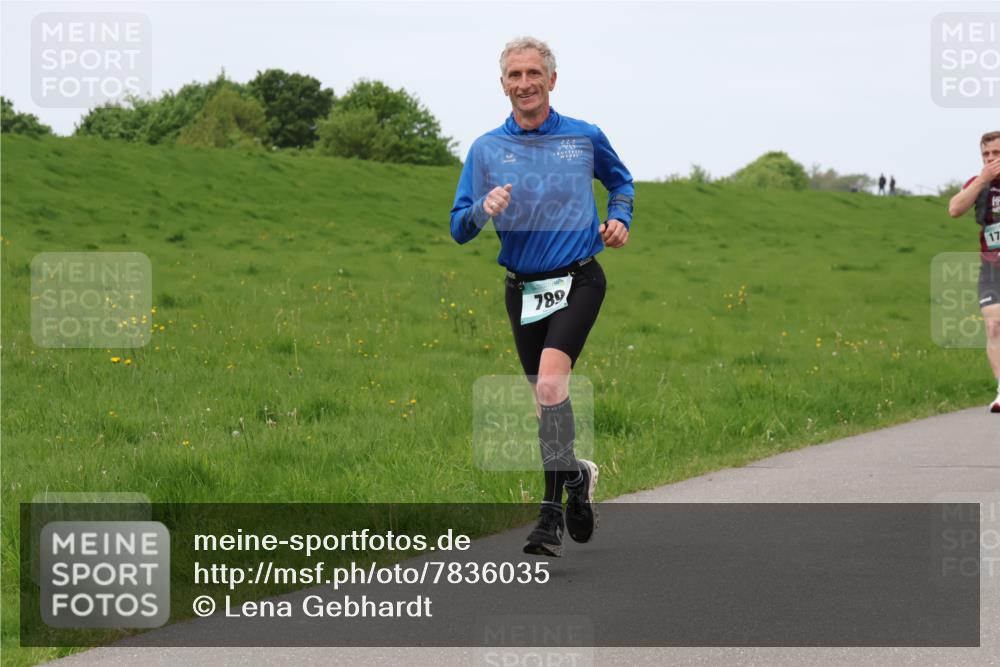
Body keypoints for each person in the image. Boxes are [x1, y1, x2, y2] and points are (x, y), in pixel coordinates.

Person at [449, 36, 634, 556]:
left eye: (534, 74)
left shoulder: (583, 137)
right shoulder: (486, 149)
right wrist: (484, 207)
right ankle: (576, 476)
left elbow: (622, 184)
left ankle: (548, 516)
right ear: (503, 84)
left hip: (579, 279)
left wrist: (619, 218)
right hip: (524, 290)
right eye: (514, 75)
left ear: (552, 80)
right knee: (544, 403)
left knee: (551, 388)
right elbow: (459, 227)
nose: (524, 84)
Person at [948, 131, 1000, 412]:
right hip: (993, 266)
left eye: (997, 154)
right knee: (993, 325)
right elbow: (954, 209)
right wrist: (982, 180)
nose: (991, 159)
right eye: (986, 155)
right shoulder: (979, 184)